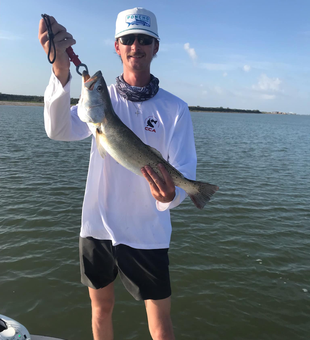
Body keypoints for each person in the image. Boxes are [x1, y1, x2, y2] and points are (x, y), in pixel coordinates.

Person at [38, 7, 197, 340]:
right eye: (128, 39)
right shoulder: (99, 103)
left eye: (143, 40)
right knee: (100, 311)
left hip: (148, 233)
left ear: (155, 47)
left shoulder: (175, 109)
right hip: (96, 227)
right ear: (117, 46)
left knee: (160, 324)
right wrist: (60, 72)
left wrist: (173, 195)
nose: (135, 46)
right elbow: (59, 129)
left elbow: (183, 172)